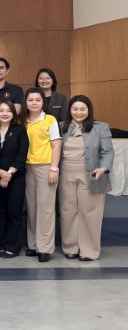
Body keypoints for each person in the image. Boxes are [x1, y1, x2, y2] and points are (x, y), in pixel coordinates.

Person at [58, 95, 113, 261]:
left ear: (89, 110)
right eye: (75, 109)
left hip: (91, 174)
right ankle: (70, 247)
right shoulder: (60, 126)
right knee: (68, 210)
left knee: (90, 212)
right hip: (66, 173)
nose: (79, 112)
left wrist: (103, 168)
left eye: (83, 109)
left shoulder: (101, 127)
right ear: (69, 110)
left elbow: (108, 152)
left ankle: (89, 250)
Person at [23, 87, 62, 262]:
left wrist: (54, 168)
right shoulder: (22, 120)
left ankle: (45, 248)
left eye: (38, 100)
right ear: (25, 102)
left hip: (45, 167)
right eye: (30, 100)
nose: (34, 103)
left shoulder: (50, 119)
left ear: (43, 102)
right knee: (31, 208)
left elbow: (57, 145)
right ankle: (33, 245)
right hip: (27, 167)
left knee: (45, 208)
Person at [0, 99, 29, 258]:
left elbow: (21, 155)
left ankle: (12, 247)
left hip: (16, 177)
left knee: (14, 212)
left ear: (13, 113)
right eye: (1, 110)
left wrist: (8, 174)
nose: (5, 114)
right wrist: (0, 173)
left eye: (8, 111)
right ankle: (0, 245)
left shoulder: (20, 130)